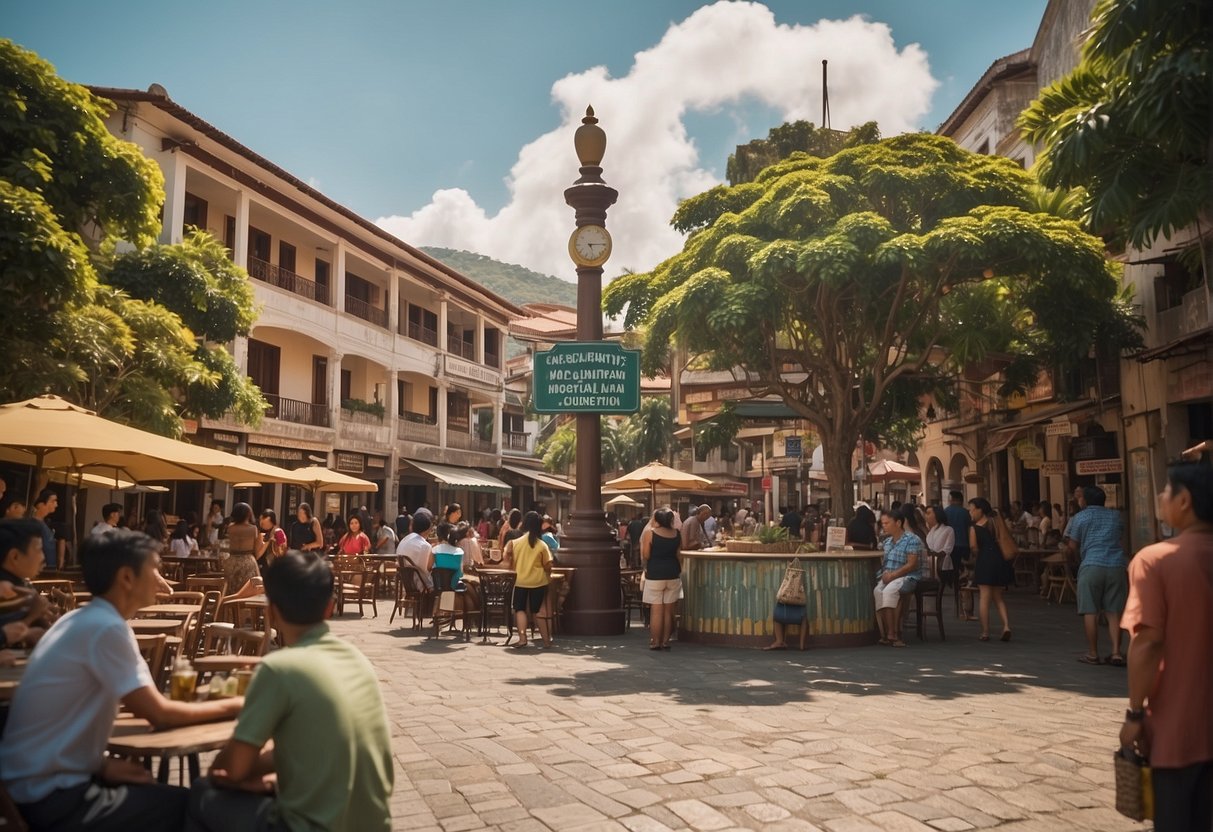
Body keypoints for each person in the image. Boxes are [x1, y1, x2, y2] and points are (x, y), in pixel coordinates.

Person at [1, 528, 242, 830]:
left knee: (167, 797)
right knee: (194, 807)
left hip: (32, 787)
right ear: (127, 577)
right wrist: (239, 705)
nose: (161, 577)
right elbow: (159, 714)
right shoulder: (106, 627)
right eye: (154, 568)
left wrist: (99, 764)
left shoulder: (81, 619)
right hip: (50, 799)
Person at [186, 551, 394, 832]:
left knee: (200, 793)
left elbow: (229, 770)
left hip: (308, 827)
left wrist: (236, 769)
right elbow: (322, 748)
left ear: (271, 610)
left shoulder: (278, 668)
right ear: (330, 608)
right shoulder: (358, 661)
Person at [1119, 460, 1213, 832]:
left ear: (1185, 500)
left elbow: (1147, 644)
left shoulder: (1155, 561)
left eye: (1166, 490)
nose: (1160, 496)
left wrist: (1135, 714)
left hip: (1179, 729)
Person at [1064, 485, 1128, 665]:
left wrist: (1071, 557)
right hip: (1116, 565)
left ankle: (1093, 653)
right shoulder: (1116, 516)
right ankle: (1116, 652)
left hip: (1091, 565)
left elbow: (1072, 546)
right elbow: (1120, 539)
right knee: (1114, 611)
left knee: (1090, 611)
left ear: (1084, 500)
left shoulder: (1080, 517)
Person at [872, 506, 923, 647]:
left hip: (908, 576)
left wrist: (893, 575)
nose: (884, 526)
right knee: (877, 591)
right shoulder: (887, 542)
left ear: (898, 523)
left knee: (889, 591)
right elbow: (885, 564)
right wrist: (884, 575)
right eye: (882, 523)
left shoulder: (911, 539)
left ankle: (893, 633)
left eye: (887, 523)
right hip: (890, 576)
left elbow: (911, 564)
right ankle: (886, 632)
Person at [504, 511, 554, 650]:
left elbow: (508, 561)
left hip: (520, 581)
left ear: (524, 524)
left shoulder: (515, 543)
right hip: (539, 581)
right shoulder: (542, 545)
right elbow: (548, 565)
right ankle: (546, 641)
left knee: (520, 609)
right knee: (538, 611)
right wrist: (548, 575)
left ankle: (522, 638)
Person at [968, 498, 1013, 642]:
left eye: (972, 509)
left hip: (984, 560)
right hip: (999, 559)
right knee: (999, 597)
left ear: (980, 510)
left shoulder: (974, 528)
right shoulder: (995, 522)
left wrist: (977, 555)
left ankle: (985, 631)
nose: (971, 512)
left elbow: (974, 547)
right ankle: (1006, 625)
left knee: (984, 598)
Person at [640, 508, 681, 651]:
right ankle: (665, 641)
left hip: (655, 573)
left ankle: (655, 642)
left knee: (656, 609)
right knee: (669, 610)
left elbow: (646, 555)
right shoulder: (677, 533)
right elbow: (678, 555)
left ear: (656, 520)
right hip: (673, 573)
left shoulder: (649, 533)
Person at [223, 503, 260, 594]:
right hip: (247, 560)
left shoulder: (230, 528)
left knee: (231, 589)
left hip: (232, 560)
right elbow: (256, 550)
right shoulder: (253, 529)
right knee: (249, 589)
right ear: (248, 514)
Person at [396, 508, 434, 590]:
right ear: (429, 529)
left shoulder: (404, 540)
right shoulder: (425, 545)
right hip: (419, 584)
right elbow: (426, 569)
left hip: (404, 584)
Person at [924, 505, 956, 591]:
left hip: (941, 563)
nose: (925, 516)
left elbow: (947, 549)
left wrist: (934, 554)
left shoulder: (948, 529)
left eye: (928, 513)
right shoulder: (931, 530)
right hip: (930, 561)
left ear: (937, 515)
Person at [31, 488, 59, 570]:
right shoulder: (33, 524)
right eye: (53, 501)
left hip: (49, 567)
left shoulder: (45, 524)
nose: (56, 505)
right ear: (40, 504)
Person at [944, 490, 971, 569]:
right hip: (964, 544)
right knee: (963, 568)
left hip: (949, 545)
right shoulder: (966, 512)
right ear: (961, 500)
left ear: (951, 499)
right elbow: (969, 529)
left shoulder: (945, 511)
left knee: (951, 568)